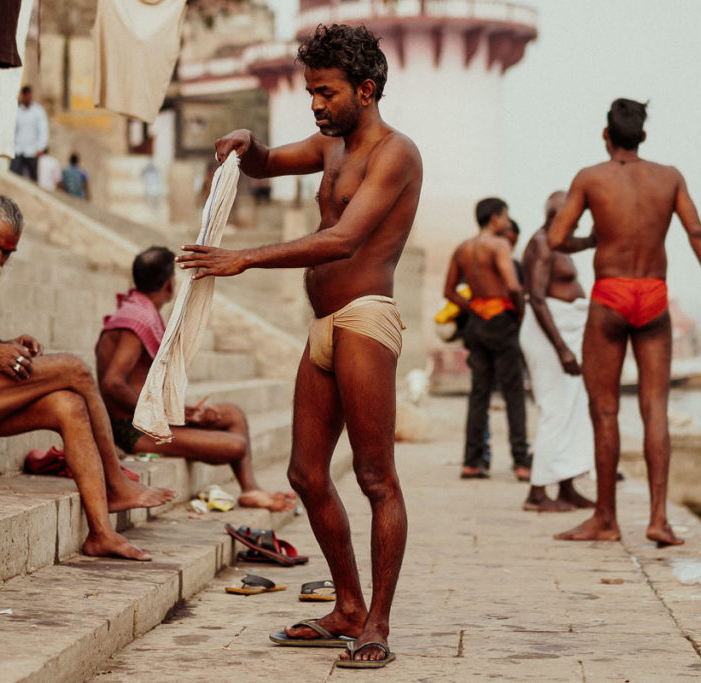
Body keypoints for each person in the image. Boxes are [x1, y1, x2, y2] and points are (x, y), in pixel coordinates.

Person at [175, 24, 422, 667]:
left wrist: (244, 259)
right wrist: (248, 145)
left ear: (365, 91)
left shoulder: (396, 154)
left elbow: (343, 240)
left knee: (375, 477)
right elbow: (266, 162)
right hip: (323, 327)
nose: (315, 103)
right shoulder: (330, 146)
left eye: (326, 92)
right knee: (304, 473)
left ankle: (378, 625)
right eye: (311, 91)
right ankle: (345, 606)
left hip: (366, 320)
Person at [0, 195, 176, 561]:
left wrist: (5, 345)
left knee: (68, 405)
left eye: (6, 252)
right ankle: (116, 484)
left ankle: (101, 533)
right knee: (74, 368)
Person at [548, 99, 701, 546]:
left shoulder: (590, 178)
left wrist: (592, 239)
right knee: (655, 410)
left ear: (606, 134)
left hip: (610, 294)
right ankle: (658, 520)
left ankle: (605, 519)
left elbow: (556, 238)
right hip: (653, 295)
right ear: (644, 137)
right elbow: (697, 233)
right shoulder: (669, 177)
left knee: (605, 410)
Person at [95, 247, 296, 512]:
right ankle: (248, 487)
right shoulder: (137, 319)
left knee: (232, 414)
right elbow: (112, 384)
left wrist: (185, 414)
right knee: (236, 446)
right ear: (169, 284)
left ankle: (250, 489)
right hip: (132, 429)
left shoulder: (136, 310)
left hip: (151, 418)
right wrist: (167, 415)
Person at [444, 198, 532, 482]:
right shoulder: (499, 245)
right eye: (506, 216)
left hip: (476, 324)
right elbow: (512, 285)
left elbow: (450, 291)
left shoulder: (463, 248)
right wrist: (519, 313)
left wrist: (473, 308)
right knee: (513, 393)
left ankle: (472, 462)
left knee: (479, 394)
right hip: (501, 321)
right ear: (495, 219)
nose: (508, 221)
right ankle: (522, 462)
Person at [520, 191, 596, 512]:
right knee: (554, 408)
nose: (578, 220)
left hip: (567, 330)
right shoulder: (541, 242)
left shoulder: (559, 241)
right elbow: (537, 298)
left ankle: (566, 486)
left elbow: (580, 243)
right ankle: (537, 493)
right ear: (557, 215)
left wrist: (594, 238)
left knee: (572, 409)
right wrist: (562, 348)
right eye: (574, 215)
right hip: (549, 334)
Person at [11, 85, 48, 181]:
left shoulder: (38, 111)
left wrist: (41, 147)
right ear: (22, 96)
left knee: (33, 179)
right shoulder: (16, 110)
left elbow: (43, 130)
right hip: (18, 149)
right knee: (14, 176)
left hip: (32, 151)